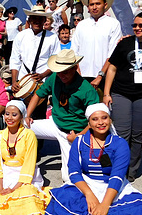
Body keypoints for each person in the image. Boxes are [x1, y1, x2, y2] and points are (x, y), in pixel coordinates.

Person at [102, 10, 142, 182]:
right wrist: (106, 93)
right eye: (134, 25)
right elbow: (112, 68)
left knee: (137, 134)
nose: (137, 28)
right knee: (121, 133)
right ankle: (117, 167)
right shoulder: (125, 43)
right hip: (121, 93)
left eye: (141, 25)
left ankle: (132, 170)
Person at [25, 49, 100, 183]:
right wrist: (27, 115)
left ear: (74, 68)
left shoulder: (86, 89)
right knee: (20, 125)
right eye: (58, 71)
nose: (61, 75)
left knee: (69, 178)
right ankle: (18, 163)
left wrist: (78, 137)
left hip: (73, 133)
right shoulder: (55, 77)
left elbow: (95, 120)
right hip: (54, 123)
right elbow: (38, 94)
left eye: (65, 71)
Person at [10, 5, 60, 110]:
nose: (37, 21)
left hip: (42, 84)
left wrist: (43, 75)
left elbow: (56, 61)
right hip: (23, 82)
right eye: (34, 18)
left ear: (44, 20)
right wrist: (14, 81)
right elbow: (15, 60)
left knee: (38, 116)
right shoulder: (21, 36)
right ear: (30, 20)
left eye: (40, 18)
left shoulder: (52, 37)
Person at [71, 0, 122, 89]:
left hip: (105, 76)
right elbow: (74, 50)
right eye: (91, 4)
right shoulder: (81, 25)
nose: (94, 7)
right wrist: (78, 72)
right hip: (82, 76)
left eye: (98, 4)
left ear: (105, 5)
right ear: (88, 7)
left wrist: (100, 75)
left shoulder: (113, 24)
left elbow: (112, 53)